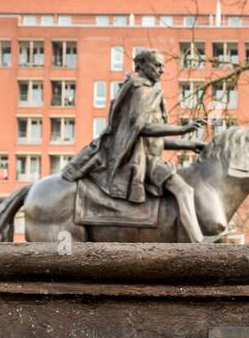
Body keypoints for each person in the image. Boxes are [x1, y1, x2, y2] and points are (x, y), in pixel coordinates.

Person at [62, 49, 207, 242]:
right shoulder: (140, 90)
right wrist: (181, 129)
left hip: (149, 157)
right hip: (140, 161)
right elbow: (141, 128)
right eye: (156, 65)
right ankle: (198, 242)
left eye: (163, 66)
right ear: (141, 66)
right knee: (184, 190)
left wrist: (189, 144)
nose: (161, 70)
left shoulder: (149, 92)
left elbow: (156, 140)